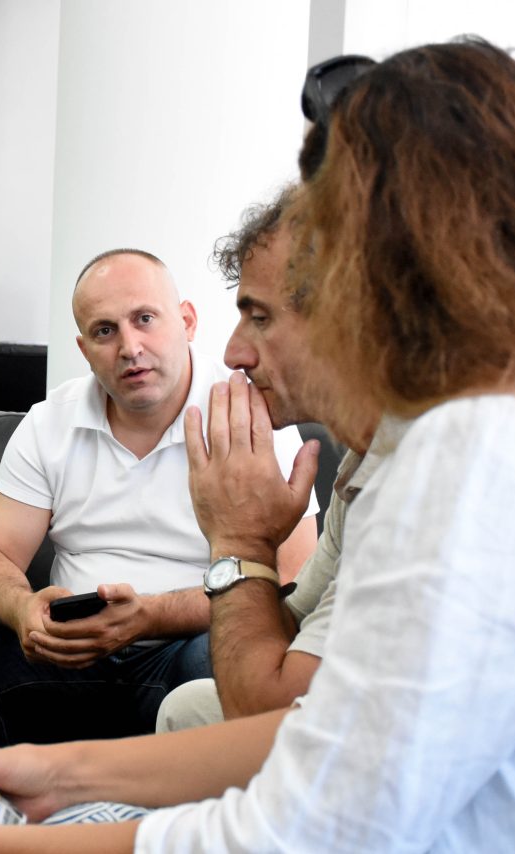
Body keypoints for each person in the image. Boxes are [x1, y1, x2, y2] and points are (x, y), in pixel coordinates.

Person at [0, 38, 515, 851]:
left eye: (325, 252)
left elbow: (310, 821)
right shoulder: (422, 446)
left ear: (396, 262)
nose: (237, 351)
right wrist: (49, 773)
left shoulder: (470, 452)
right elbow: (316, 735)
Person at [0, 250, 317, 745]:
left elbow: (292, 581)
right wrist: (23, 609)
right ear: (84, 349)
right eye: (105, 331)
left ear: (187, 321)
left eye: (145, 319)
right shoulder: (50, 420)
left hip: (188, 646)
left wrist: (151, 616)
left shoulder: (248, 416)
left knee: (226, 658)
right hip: (68, 653)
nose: (130, 347)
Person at [155, 186, 382, 731]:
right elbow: (293, 625)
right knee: (187, 709)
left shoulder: (420, 473)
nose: (233, 353)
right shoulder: (363, 460)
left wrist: (240, 541)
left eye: (258, 317)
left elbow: (266, 711)